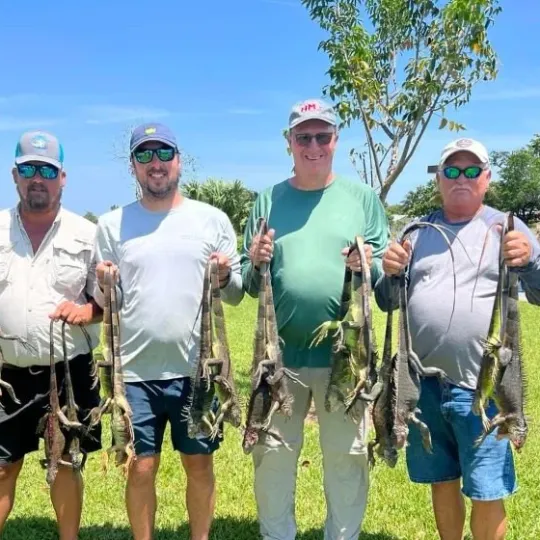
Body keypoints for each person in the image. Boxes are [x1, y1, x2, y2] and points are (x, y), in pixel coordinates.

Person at [374, 137, 540, 540]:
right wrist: (390, 271)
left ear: (486, 178)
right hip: (420, 385)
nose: (460, 178)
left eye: (470, 171)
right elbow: (385, 302)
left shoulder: (510, 230)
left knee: (486, 489)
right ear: (438, 179)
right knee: (442, 479)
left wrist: (531, 261)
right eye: (451, 171)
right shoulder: (415, 232)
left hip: (482, 388)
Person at [241, 98, 390, 540]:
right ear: (288, 142)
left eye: (322, 136)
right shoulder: (267, 200)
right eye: (303, 136)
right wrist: (254, 261)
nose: (313, 145)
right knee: (272, 458)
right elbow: (251, 282)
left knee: (347, 457)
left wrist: (367, 263)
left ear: (336, 141)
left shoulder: (361, 198)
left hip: (345, 359)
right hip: (279, 358)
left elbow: (382, 271)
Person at [92, 122, 244, 540]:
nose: (154, 164)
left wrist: (226, 275)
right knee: (140, 467)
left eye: (163, 154)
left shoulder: (210, 220)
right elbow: (103, 299)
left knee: (199, 463)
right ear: (133, 167)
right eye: (144, 155)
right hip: (133, 375)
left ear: (179, 161)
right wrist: (103, 282)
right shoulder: (111, 225)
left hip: (197, 370)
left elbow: (236, 293)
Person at [0, 131, 103, 539]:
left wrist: (87, 311)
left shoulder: (88, 233)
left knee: (66, 462)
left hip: (69, 372)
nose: (37, 178)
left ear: (63, 177)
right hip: (8, 373)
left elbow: (107, 301)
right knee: (3, 465)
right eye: (28, 169)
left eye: (47, 169)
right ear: (15, 175)